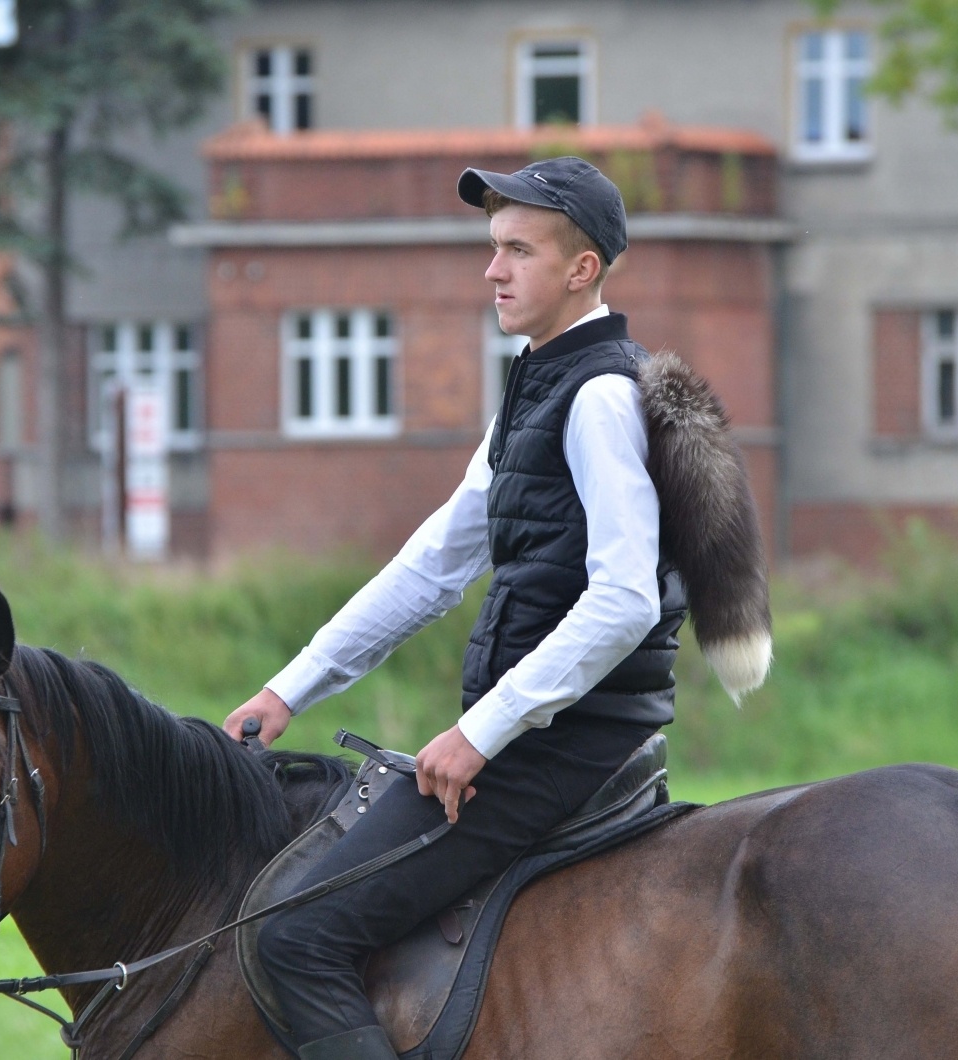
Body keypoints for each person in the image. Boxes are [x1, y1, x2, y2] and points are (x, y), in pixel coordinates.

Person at [223, 156, 694, 1060]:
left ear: (581, 269)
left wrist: (483, 731)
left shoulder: (598, 397)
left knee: (293, 940)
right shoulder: (539, 383)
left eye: (518, 250)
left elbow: (626, 599)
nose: (493, 271)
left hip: (562, 747)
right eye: (492, 249)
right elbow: (432, 565)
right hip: (537, 736)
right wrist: (290, 690)